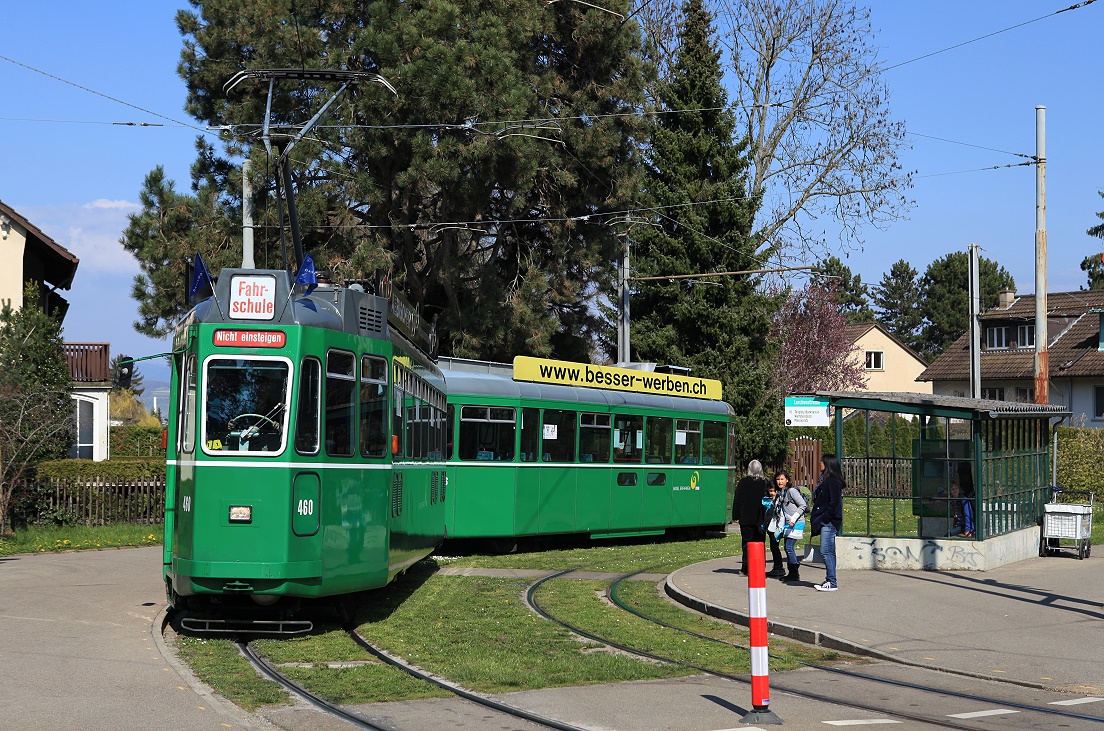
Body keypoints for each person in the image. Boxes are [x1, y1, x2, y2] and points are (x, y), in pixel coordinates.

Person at [809, 453, 845, 592]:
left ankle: (832, 581)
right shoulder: (826, 480)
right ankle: (830, 579)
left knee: (826, 551)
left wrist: (825, 518)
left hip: (829, 522)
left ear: (828, 464)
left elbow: (835, 503)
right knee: (828, 551)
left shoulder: (833, 481)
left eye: (822, 462)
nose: (820, 464)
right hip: (826, 520)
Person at [733, 460, 769, 575]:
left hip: (746, 517)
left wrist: (736, 515)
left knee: (746, 543)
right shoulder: (765, 483)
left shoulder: (743, 482)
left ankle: (746, 569)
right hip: (760, 518)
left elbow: (737, 500)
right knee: (760, 543)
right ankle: (759, 567)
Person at [772, 470, 808, 583]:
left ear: (787, 480)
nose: (780, 481)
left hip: (796, 522)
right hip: (789, 524)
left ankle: (794, 573)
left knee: (788, 547)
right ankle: (792, 572)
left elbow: (802, 505)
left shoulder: (791, 491)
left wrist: (794, 518)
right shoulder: (781, 492)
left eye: (782, 479)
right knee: (787, 547)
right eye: (778, 479)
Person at [764, 480, 787, 578]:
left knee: (775, 547)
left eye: (774, 491)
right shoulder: (766, 500)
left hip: (777, 527)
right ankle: (777, 567)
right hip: (770, 527)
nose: (772, 493)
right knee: (773, 547)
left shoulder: (780, 500)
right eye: (770, 491)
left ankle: (779, 567)